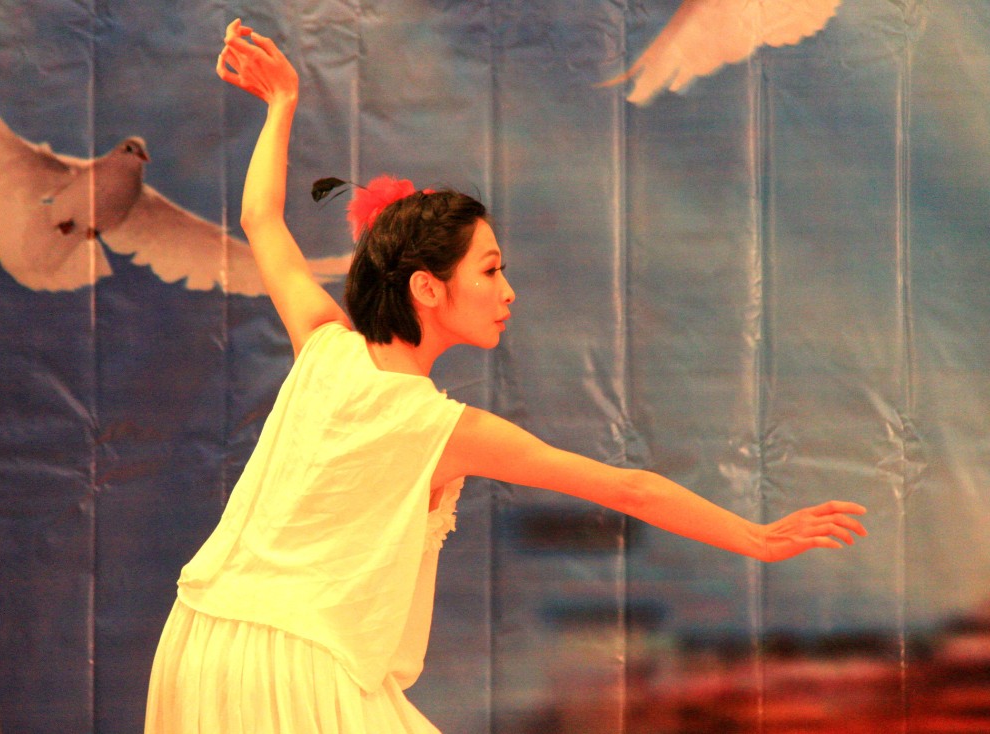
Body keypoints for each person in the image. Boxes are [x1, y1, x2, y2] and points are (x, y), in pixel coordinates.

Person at [143, 19, 868, 734]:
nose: (509, 291)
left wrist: (281, 105)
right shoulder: (443, 428)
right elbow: (628, 489)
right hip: (300, 668)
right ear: (427, 288)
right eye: (490, 270)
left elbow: (261, 220)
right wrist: (758, 538)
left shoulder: (323, 344)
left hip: (200, 639)